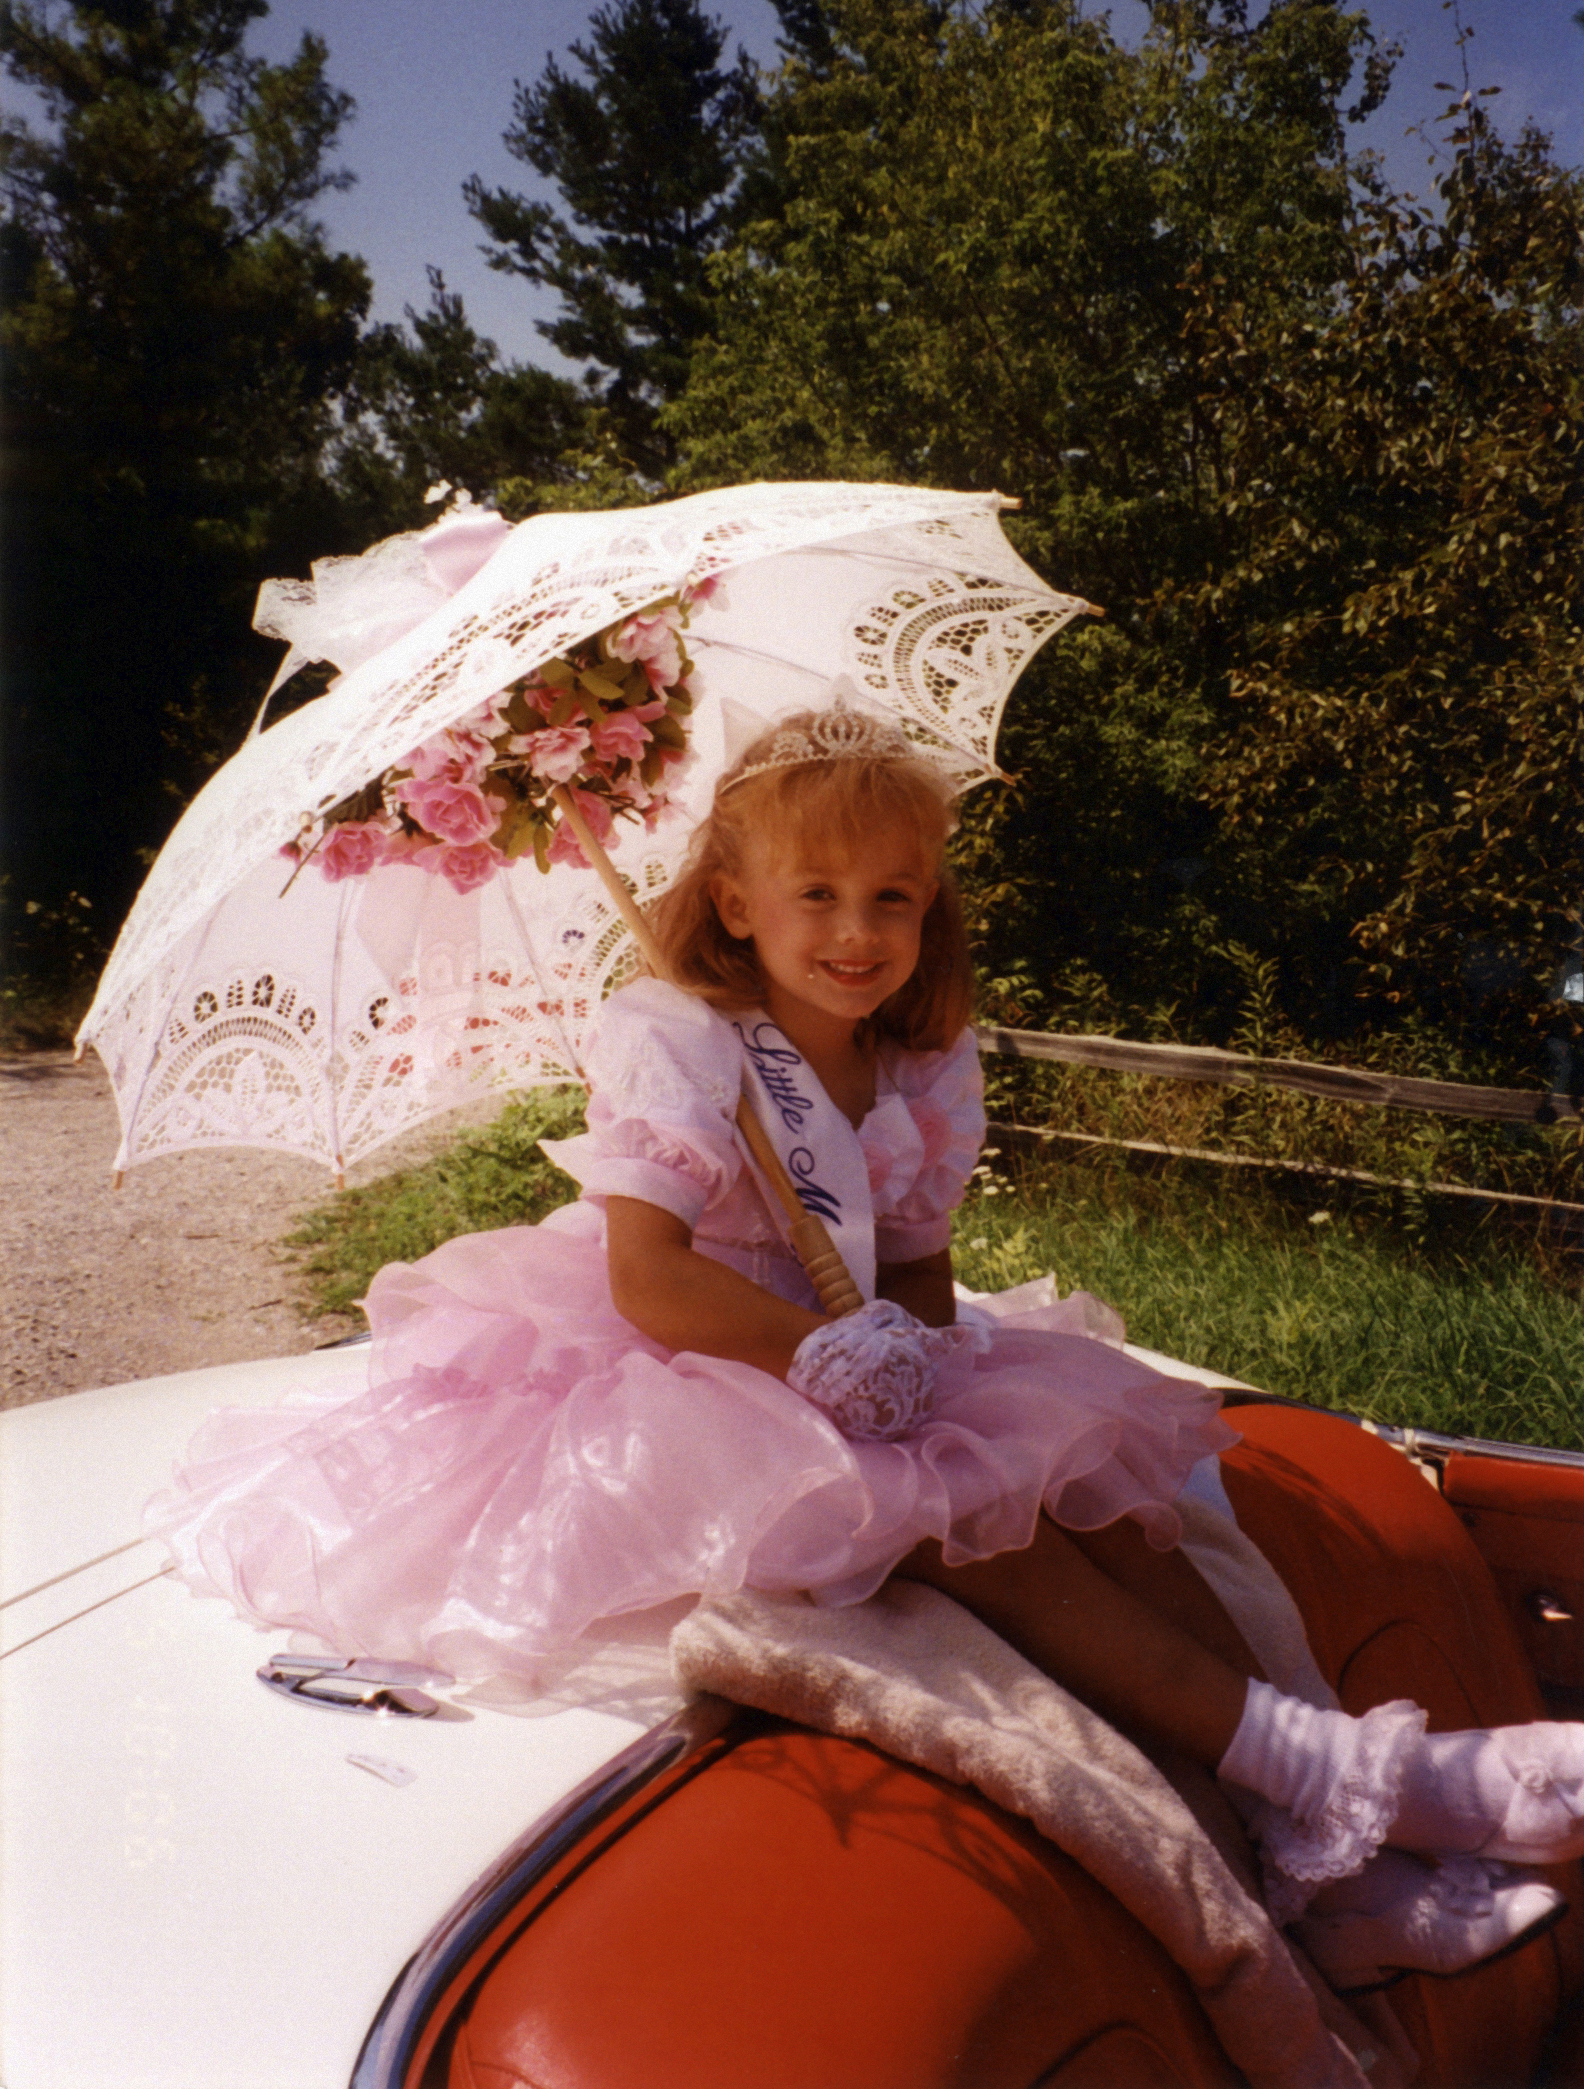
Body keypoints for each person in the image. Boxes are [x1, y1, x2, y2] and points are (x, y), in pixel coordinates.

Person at [149, 707, 1581, 1989]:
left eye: (891, 897)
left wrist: (935, 1371)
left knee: (1096, 1506)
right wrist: (830, 1364)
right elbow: (651, 1280)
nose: (857, 932)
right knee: (980, 1530)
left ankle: (1324, 1865)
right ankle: (1331, 1771)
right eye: (816, 894)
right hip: (697, 1365)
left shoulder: (913, 1056)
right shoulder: (681, 1034)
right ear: (735, 902)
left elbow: (918, 1267)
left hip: (863, 1352)